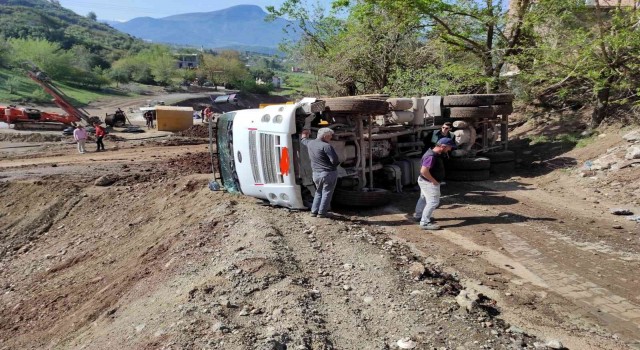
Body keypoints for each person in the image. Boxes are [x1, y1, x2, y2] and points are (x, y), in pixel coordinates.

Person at [416, 137, 456, 230]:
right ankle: (424, 222)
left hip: (424, 181)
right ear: (443, 146)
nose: (450, 149)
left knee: (423, 198)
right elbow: (424, 171)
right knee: (433, 202)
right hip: (429, 182)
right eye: (449, 147)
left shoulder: (435, 153)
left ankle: (418, 216)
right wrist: (434, 181)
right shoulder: (431, 156)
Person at [301, 127, 340, 218]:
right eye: (330, 136)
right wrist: (335, 166)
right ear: (325, 136)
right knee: (327, 193)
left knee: (318, 192)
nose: (330, 138)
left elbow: (303, 140)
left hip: (316, 174)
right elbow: (334, 160)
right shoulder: (326, 146)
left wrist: (304, 134)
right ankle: (322, 213)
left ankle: (314, 212)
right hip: (328, 173)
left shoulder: (310, 143)